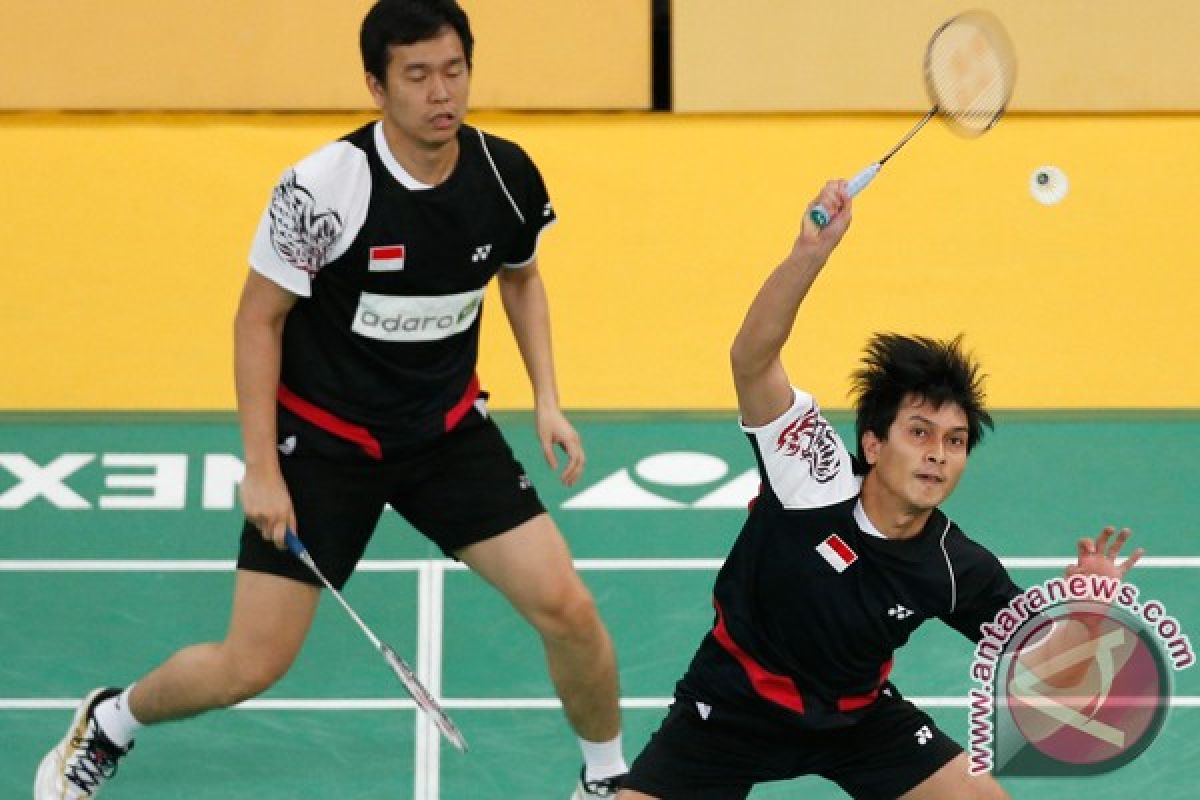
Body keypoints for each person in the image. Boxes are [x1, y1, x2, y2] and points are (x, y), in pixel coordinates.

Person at [35, 2, 627, 798]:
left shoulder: (505, 173)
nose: (440, 92)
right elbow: (257, 318)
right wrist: (260, 468)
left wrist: (547, 398)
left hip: (444, 434)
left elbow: (519, 277)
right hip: (323, 447)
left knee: (570, 609)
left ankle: (606, 779)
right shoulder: (323, 191)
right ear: (377, 86)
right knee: (250, 665)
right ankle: (112, 720)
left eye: (454, 70)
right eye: (416, 75)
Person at [617, 180, 1143, 799]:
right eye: (919, 432)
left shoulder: (954, 566)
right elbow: (752, 359)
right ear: (872, 444)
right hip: (732, 705)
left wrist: (1089, 613)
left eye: (953, 441)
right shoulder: (810, 475)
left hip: (857, 719)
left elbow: (1044, 670)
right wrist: (808, 253)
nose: (936, 454)